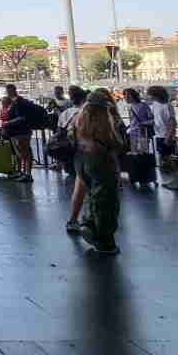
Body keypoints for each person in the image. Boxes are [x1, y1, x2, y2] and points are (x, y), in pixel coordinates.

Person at [74, 92, 124, 255]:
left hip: (81, 160)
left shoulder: (78, 119)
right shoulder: (103, 120)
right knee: (106, 200)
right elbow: (116, 143)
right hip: (101, 161)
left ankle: (88, 223)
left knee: (91, 193)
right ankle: (105, 240)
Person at [59, 86, 89, 232]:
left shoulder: (66, 113)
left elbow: (59, 131)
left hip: (75, 154)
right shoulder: (88, 114)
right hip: (90, 154)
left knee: (79, 185)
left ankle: (73, 219)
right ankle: (89, 219)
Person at [2, 84, 40, 183]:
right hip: (17, 133)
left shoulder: (19, 102)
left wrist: (7, 123)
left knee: (25, 153)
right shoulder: (15, 101)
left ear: (13, 90)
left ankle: (27, 174)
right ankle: (24, 172)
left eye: (9, 90)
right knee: (22, 153)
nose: (8, 92)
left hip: (21, 132)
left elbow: (22, 118)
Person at [149, 86, 178, 191]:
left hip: (166, 136)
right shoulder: (155, 105)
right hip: (159, 135)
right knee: (163, 160)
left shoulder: (167, 106)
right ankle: (170, 181)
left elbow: (172, 123)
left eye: (151, 94)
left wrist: (169, 137)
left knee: (169, 160)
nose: (149, 96)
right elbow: (155, 119)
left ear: (156, 95)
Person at [123, 88, 153, 154]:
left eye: (128, 96)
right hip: (133, 133)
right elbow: (132, 121)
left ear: (133, 96)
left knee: (143, 153)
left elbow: (152, 119)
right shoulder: (130, 107)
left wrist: (143, 123)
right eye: (124, 96)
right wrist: (127, 127)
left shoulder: (144, 105)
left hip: (143, 132)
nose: (125, 98)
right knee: (134, 153)